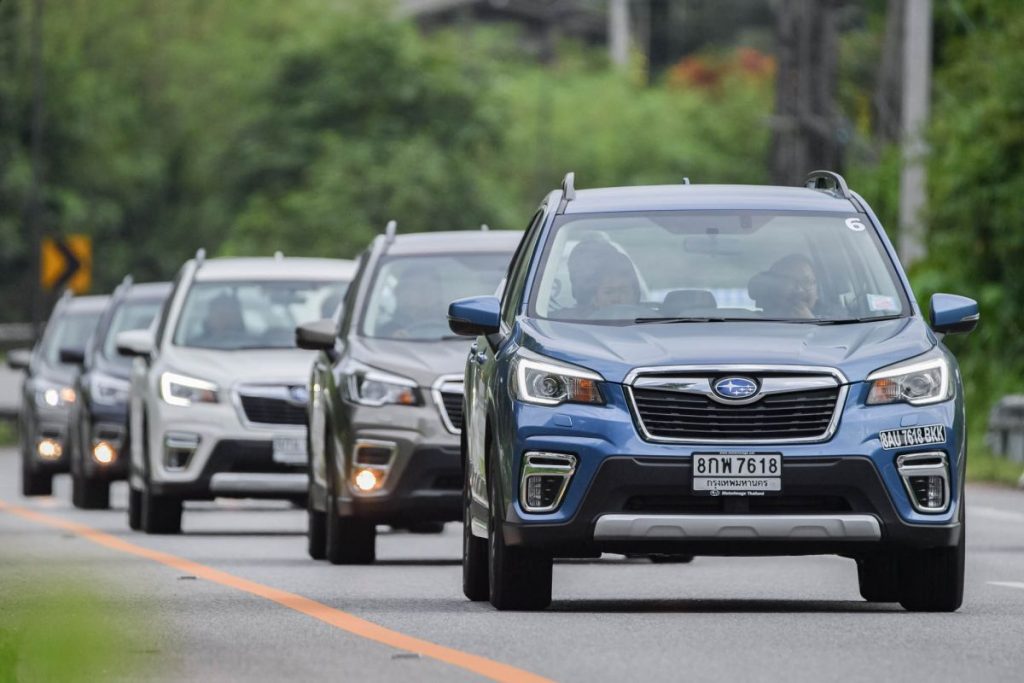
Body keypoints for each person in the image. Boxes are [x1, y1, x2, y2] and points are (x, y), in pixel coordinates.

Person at [565, 239, 642, 318]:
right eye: (609, 292)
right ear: (595, 299)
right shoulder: (565, 325)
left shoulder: (651, 322)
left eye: (623, 291)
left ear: (634, 295)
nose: (616, 298)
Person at [375, 265, 445, 339]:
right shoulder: (386, 330)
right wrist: (393, 341)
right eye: (417, 287)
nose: (425, 292)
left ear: (439, 292)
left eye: (432, 287)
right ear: (401, 293)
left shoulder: (452, 323)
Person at [748, 253, 819, 319]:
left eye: (806, 281)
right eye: (789, 282)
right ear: (772, 291)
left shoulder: (828, 323)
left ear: (817, 291)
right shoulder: (750, 324)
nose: (799, 290)